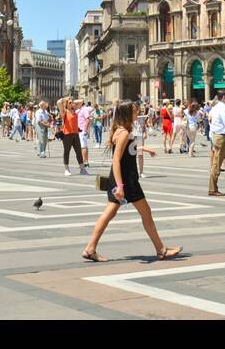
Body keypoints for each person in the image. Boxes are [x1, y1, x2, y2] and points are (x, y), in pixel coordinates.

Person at [81, 101, 181, 264]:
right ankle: (161, 250)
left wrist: (143, 149)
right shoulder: (124, 133)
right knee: (146, 213)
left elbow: (127, 152)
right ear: (128, 114)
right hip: (126, 180)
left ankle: (90, 249)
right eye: (135, 112)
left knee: (109, 213)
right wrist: (120, 187)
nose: (138, 114)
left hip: (121, 178)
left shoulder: (120, 130)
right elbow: (116, 160)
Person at [59, 97, 87, 174]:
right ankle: (66, 169)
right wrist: (65, 99)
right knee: (67, 151)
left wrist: (72, 101)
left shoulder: (74, 111)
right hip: (67, 134)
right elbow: (58, 102)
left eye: (72, 103)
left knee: (78, 151)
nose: (72, 104)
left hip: (75, 133)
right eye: (70, 103)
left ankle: (82, 169)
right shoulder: (64, 112)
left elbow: (81, 101)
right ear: (66, 104)